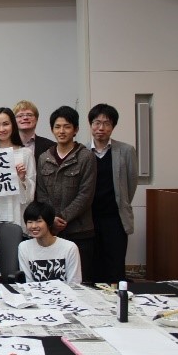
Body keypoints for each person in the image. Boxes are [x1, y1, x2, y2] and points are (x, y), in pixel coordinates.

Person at [36, 106, 97, 282]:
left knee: (80, 281)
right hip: (52, 231)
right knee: (53, 280)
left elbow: (85, 195)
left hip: (79, 230)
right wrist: (52, 218)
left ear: (75, 129)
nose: (61, 131)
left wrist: (62, 217)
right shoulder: (44, 157)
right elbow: (41, 192)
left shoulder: (86, 157)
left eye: (67, 126)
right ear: (52, 130)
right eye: (57, 127)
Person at [88, 104, 138, 283]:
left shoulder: (126, 151)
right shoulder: (82, 151)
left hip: (115, 218)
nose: (101, 128)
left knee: (115, 265)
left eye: (106, 123)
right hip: (89, 218)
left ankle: (117, 298)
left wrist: (121, 203)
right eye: (97, 123)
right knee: (93, 265)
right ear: (91, 125)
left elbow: (131, 183)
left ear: (113, 126)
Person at [18, 201, 82, 283]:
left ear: (49, 223)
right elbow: (28, 282)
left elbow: (75, 282)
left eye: (39, 221)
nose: (33, 226)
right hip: (35, 291)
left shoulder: (70, 248)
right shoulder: (24, 247)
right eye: (30, 222)